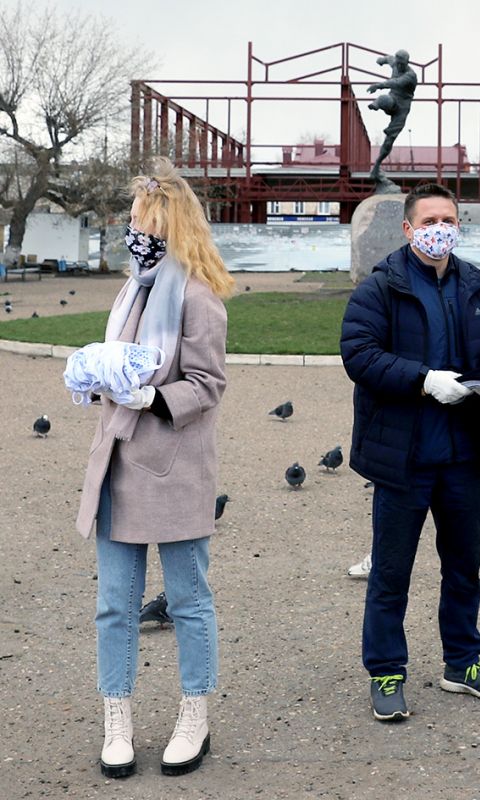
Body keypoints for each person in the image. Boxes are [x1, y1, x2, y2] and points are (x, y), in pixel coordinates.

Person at [75, 157, 234, 778]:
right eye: (132, 220)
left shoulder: (198, 295)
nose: (133, 231)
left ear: (170, 225)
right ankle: (117, 717)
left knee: (188, 601)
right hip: (115, 467)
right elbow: (121, 368)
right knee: (115, 604)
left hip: (172, 468)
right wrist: (93, 377)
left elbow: (208, 383)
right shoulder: (131, 290)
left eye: (143, 220)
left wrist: (153, 398)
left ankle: (194, 714)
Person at [341, 182, 480, 721]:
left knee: (464, 568)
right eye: (431, 220)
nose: (441, 228)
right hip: (404, 457)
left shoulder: (474, 287)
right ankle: (387, 671)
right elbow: (360, 354)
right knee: (392, 573)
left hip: (462, 454)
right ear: (408, 228)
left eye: (450, 219)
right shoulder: (379, 289)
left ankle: (462, 662)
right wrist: (423, 380)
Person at [366, 49, 419, 183]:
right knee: (386, 99)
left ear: (407, 62)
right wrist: (381, 60)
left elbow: (396, 83)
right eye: (398, 63)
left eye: (402, 64)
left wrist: (379, 85)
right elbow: (388, 58)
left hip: (403, 107)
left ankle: (377, 164)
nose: (399, 66)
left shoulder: (411, 75)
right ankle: (378, 103)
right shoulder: (394, 62)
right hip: (393, 99)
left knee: (390, 139)